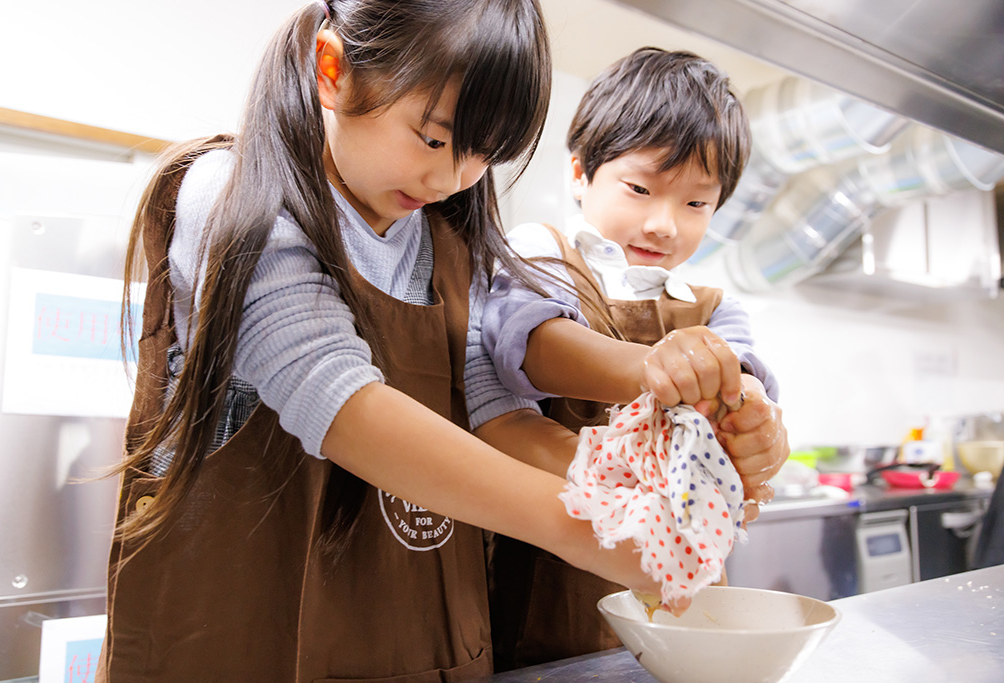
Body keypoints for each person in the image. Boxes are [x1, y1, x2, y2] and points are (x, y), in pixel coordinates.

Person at [98, 3, 668, 681]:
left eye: (483, 154)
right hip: (239, 642)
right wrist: (585, 526)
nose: (452, 179)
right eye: (433, 139)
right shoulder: (229, 195)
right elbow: (334, 394)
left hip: (414, 649)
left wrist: (652, 495)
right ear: (333, 71)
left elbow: (498, 418)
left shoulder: (451, 244)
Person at [481, 47, 790, 669]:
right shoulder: (541, 254)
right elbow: (529, 347)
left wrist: (759, 427)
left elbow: (750, 379)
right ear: (579, 174)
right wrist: (652, 366)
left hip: (685, 601)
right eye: (641, 188)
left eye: (696, 203)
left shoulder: (712, 308)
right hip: (551, 581)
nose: (663, 224)